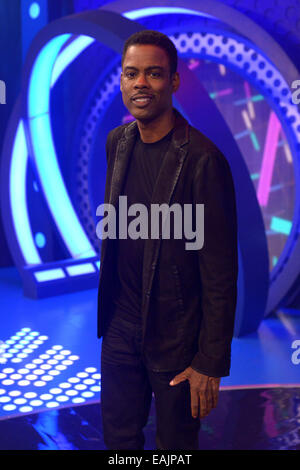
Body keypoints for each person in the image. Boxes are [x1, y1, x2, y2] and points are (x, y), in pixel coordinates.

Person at [97, 29, 238, 450]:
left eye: (154, 74)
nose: (141, 83)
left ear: (173, 82)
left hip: (177, 334)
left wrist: (209, 362)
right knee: (119, 444)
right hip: (121, 326)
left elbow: (220, 272)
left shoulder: (203, 160)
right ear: (122, 80)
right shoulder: (116, 143)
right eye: (131, 73)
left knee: (175, 450)